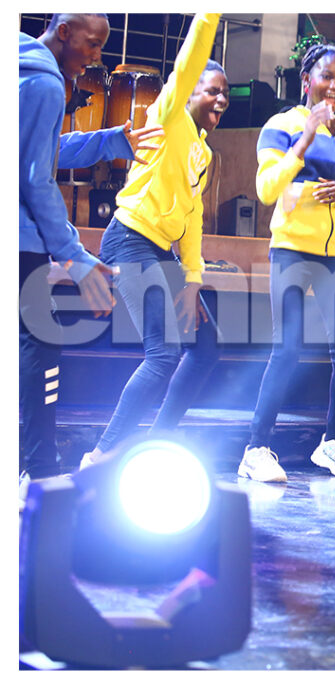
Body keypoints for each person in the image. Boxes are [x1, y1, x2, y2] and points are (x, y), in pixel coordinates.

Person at [79, 13, 227, 468]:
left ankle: (157, 441)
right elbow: (188, 61)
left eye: (225, 93)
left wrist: (194, 278)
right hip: (129, 239)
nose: (222, 99)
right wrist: (210, 15)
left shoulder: (203, 152)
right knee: (163, 355)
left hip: (161, 250)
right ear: (190, 92)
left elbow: (194, 216)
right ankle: (100, 455)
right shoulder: (169, 115)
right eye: (213, 90)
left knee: (206, 348)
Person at [19, 13, 162, 478]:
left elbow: (46, 149)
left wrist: (109, 141)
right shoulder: (45, 84)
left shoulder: (19, 62)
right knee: (39, 343)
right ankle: (39, 470)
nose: (97, 56)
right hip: (19, 240)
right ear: (63, 32)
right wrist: (75, 255)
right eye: (93, 44)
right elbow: (36, 179)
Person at [237, 43, 335, 483]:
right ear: (306, 80)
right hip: (292, 249)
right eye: (327, 76)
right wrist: (305, 139)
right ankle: (256, 449)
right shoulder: (280, 126)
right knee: (287, 350)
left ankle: (332, 443)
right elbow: (266, 189)